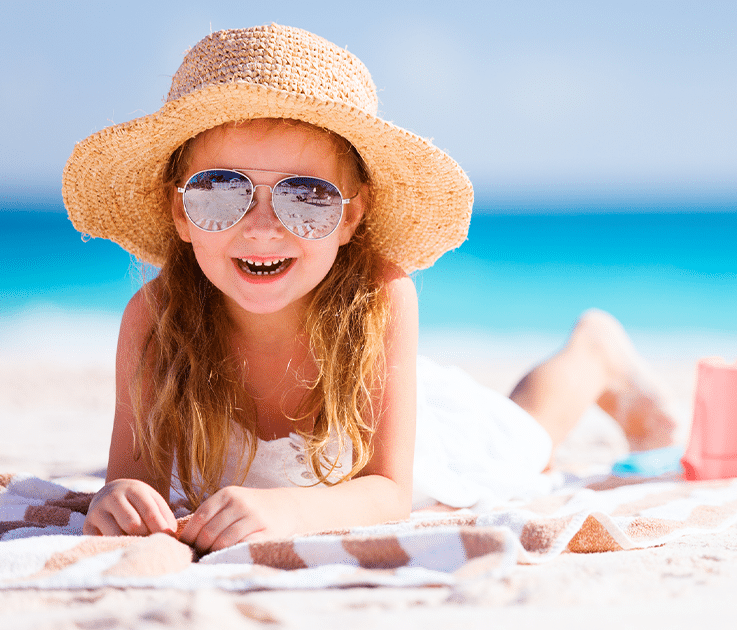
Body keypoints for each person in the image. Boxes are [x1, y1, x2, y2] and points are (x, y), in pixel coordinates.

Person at [65, 24, 676, 554]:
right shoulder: (154, 319)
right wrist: (120, 499)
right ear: (179, 213)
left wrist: (286, 511)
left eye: (306, 197)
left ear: (352, 218)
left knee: (523, 443)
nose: (262, 224)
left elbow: (390, 491)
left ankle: (594, 351)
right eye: (222, 191)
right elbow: (132, 479)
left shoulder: (381, 297)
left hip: (411, 434)